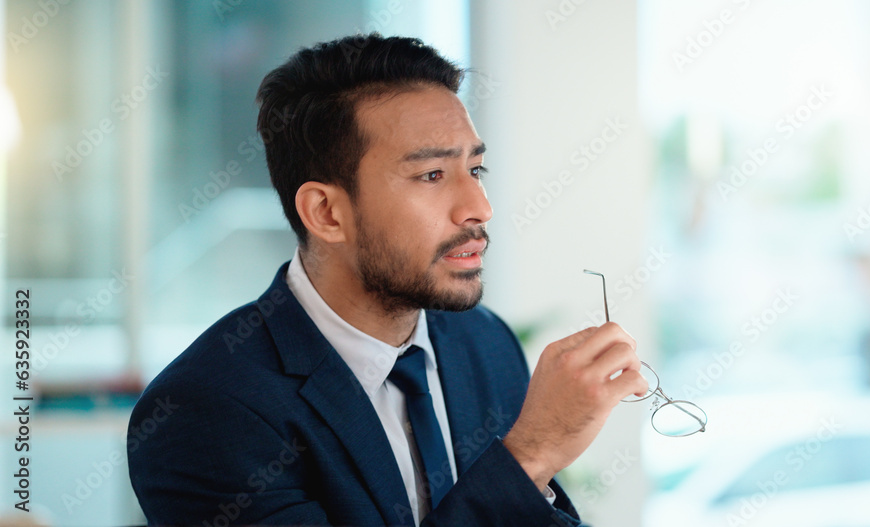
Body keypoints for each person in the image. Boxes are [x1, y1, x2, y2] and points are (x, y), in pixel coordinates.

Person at [127, 33, 646, 526]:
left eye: (476, 170)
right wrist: (531, 455)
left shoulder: (485, 344)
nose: (479, 208)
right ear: (326, 212)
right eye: (432, 176)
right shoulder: (206, 412)